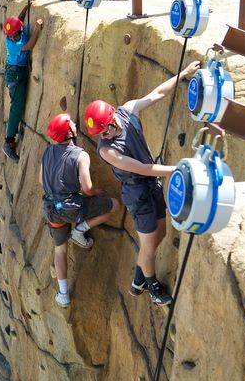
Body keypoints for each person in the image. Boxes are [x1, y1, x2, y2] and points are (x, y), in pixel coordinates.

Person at [84, 60, 201, 306]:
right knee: (148, 247)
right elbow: (143, 168)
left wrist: (184, 73)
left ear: (112, 117)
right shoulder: (107, 151)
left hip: (151, 184)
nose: (104, 135)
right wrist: (181, 169)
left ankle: (138, 278)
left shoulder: (127, 110)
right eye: (101, 133)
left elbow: (157, 94)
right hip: (137, 194)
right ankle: (152, 286)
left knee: (161, 233)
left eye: (105, 130)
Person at [40, 114, 120, 307]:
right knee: (114, 205)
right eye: (72, 123)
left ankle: (63, 294)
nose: (75, 124)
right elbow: (87, 188)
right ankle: (79, 230)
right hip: (73, 208)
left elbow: (41, 180)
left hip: (51, 208)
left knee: (60, 249)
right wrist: (96, 192)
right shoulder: (81, 155)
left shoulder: (48, 151)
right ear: (69, 131)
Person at [0, 6, 44, 162]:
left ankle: (11, 136)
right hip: (16, 73)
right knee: (17, 107)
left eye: (14, 34)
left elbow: (18, 19)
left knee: (16, 105)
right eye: (10, 35)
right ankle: (9, 141)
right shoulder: (13, 44)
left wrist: (26, 7)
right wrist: (37, 28)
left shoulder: (16, 30)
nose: (12, 37)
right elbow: (30, 45)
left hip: (16, 71)